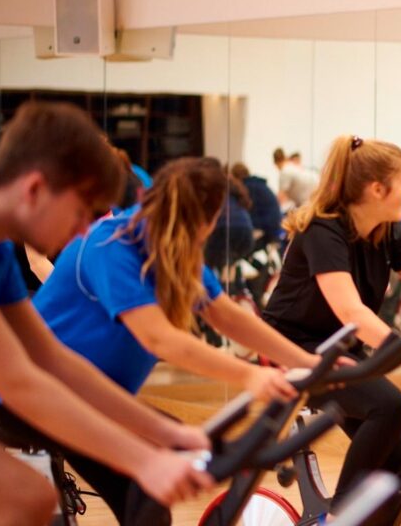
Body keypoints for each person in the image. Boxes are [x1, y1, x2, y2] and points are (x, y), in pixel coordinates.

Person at [19, 156, 323, 524]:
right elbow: (159, 339)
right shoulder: (110, 243)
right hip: (34, 395)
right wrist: (250, 376)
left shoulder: (175, 253)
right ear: (209, 222)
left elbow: (226, 315)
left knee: (151, 491)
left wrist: (310, 362)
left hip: (93, 397)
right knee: (149, 482)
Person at [0, 101, 213, 525]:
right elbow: (19, 381)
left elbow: (54, 359)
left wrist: (167, 433)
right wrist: (144, 458)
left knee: (30, 499)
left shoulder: (0, 250)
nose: (82, 231)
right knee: (26, 497)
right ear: (36, 189)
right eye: (80, 213)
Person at [263, 134, 401, 512]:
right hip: (291, 350)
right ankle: (341, 516)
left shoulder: (387, 230)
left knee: (395, 467)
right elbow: (352, 312)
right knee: (388, 405)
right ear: (377, 189)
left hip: (339, 350)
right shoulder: (323, 230)